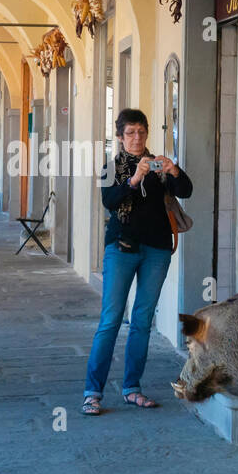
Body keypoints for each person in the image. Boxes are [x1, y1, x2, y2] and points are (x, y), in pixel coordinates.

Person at [82, 109, 193, 416]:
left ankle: (132, 388)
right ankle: (93, 392)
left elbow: (186, 191)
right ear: (120, 136)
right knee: (111, 320)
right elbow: (110, 201)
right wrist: (135, 177)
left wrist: (173, 171)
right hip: (121, 248)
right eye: (130, 133)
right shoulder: (110, 166)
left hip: (156, 250)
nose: (136, 138)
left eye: (141, 133)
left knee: (142, 321)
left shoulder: (158, 165)